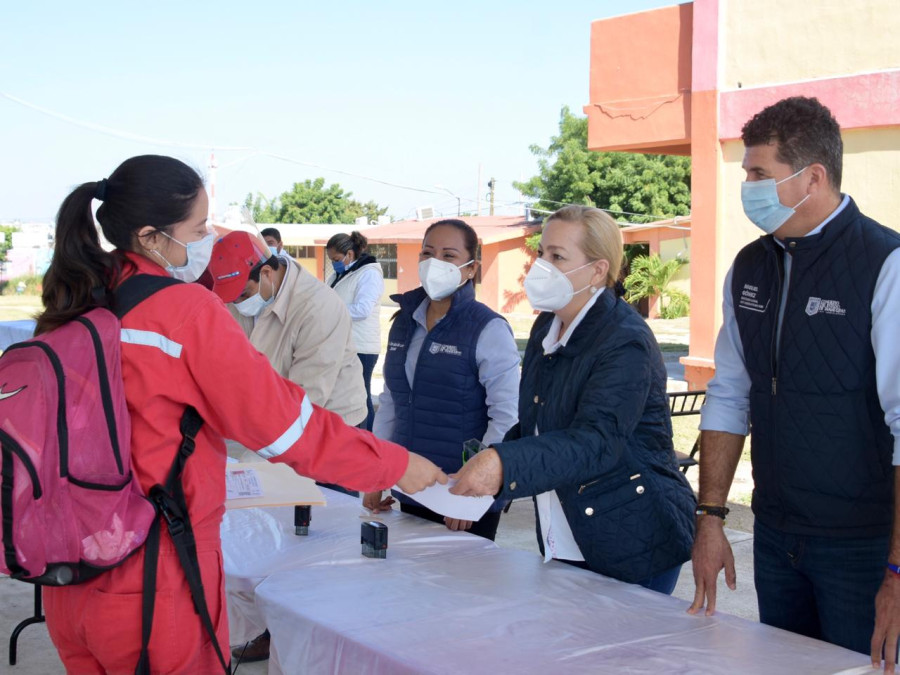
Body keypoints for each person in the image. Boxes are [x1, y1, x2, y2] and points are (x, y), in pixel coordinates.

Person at [37, 155, 445, 674]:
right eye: (199, 227)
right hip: (155, 577)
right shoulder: (182, 311)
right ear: (151, 237)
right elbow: (290, 429)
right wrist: (395, 465)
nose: (208, 238)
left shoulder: (75, 301)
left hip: (72, 571)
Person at [687, 96, 900, 669]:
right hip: (778, 536)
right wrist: (710, 519)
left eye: (760, 173)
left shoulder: (886, 264)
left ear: (814, 177)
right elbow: (729, 396)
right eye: (746, 173)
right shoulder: (749, 267)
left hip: (862, 546)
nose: (747, 186)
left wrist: (898, 571)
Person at [451, 205, 696, 594]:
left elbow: (596, 441)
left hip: (632, 538)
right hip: (565, 533)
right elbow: (538, 423)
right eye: (541, 253)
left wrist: (503, 464)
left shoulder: (624, 340)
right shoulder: (546, 325)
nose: (541, 266)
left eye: (557, 256)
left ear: (598, 270)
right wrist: (486, 471)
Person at [364, 219, 520, 541]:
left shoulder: (487, 329)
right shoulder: (403, 322)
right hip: (411, 485)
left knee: (461, 589)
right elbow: (391, 402)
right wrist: (379, 471)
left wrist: (472, 492)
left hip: (463, 497)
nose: (435, 263)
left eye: (449, 255)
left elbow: (508, 416)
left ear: (471, 268)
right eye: (428, 253)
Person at [326, 231, 385, 431]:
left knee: (361, 397)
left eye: (335, 259)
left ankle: (368, 441)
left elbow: (363, 309)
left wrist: (332, 310)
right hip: (345, 344)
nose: (333, 263)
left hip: (362, 347)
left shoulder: (368, 273)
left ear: (349, 254)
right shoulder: (341, 274)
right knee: (347, 397)